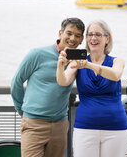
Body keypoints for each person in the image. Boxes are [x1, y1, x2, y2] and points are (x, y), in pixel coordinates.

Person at [11, 17, 85, 157]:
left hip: (60, 125)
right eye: (69, 33)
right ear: (60, 33)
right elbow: (17, 81)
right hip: (33, 124)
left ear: (81, 40)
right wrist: (21, 110)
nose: (72, 38)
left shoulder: (78, 61)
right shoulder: (37, 54)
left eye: (77, 35)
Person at [56, 20, 127, 157]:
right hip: (85, 127)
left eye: (98, 34)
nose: (93, 38)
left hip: (115, 128)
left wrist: (89, 65)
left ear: (107, 38)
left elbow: (115, 75)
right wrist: (60, 66)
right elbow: (63, 81)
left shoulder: (116, 61)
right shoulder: (77, 63)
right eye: (89, 35)